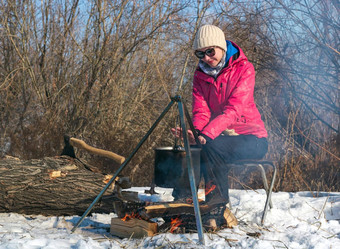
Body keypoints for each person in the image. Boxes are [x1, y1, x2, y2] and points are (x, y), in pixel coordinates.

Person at [172, 25, 268, 224]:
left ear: (221, 46)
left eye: (210, 51)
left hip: (252, 137)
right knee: (193, 148)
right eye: (201, 54)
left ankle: (215, 208)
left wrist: (206, 135)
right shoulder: (200, 75)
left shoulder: (244, 68)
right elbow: (201, 111)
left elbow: (235, 109)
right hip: (220, 136)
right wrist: (195, 133)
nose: (206, 58)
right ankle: (181, 204)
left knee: (210, 145)